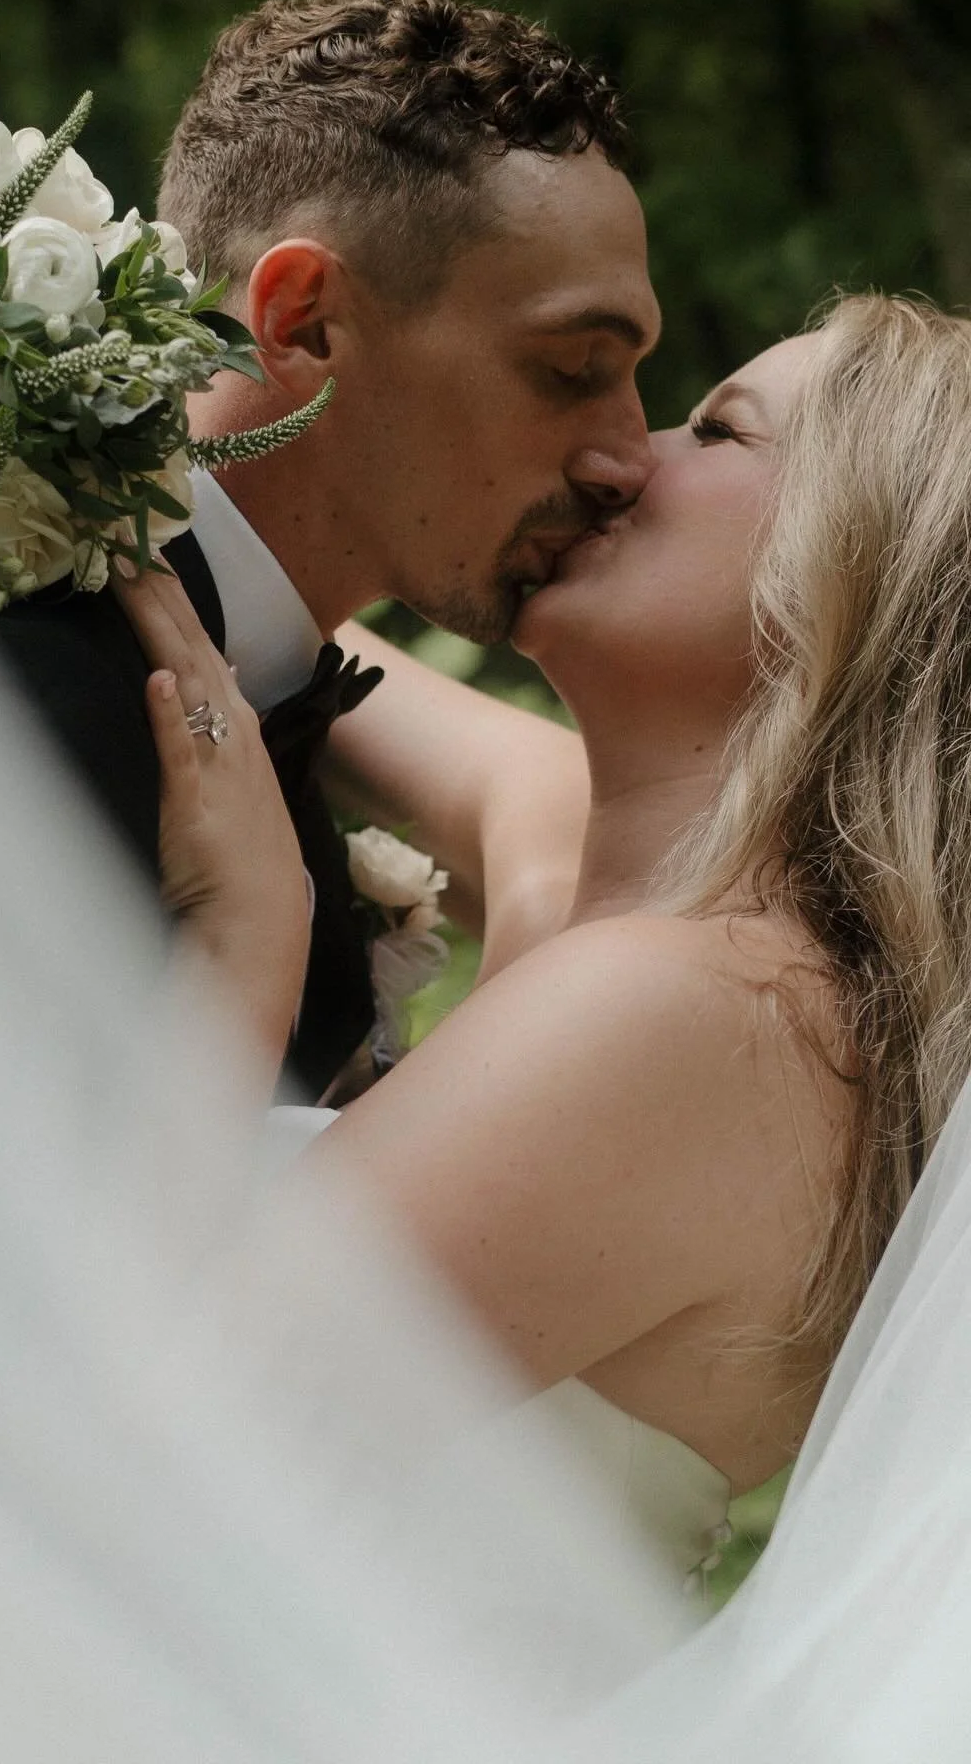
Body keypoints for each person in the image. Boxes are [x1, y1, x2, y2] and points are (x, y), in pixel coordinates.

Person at [114, 291, 971, 1586]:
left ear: (857, 571)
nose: (621, 458)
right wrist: (61, 473)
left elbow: (126, 1428)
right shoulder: (645, 899)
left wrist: (246, 952)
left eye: (717, 431)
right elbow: (269, 617)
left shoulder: (694, 1013)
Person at [0, 0, 659, 1100]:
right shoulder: (7, 698)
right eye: (572, 368)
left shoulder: (258, 663)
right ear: (302, 322)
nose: (629, 457)